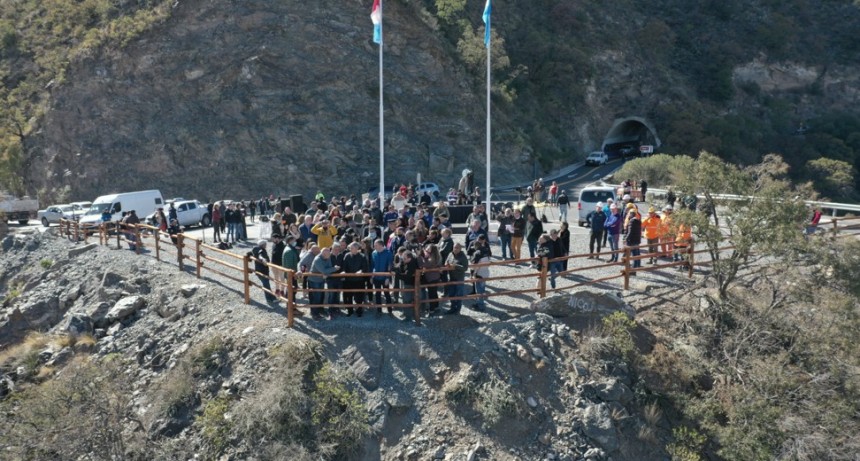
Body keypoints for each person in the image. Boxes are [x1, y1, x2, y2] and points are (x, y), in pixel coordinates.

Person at [308, 247, 339, 320]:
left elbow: (328, 268)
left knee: (321, 296)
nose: (330, 255)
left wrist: (327, 272)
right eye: (328, 254)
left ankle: (320, 309)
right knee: (316, 297)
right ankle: (314, 313)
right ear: (324, 254)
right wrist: (334, 269)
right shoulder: (317, 259)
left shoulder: (327, 257)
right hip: (314, 280)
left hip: (321, 280)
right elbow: (324, 270)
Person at [342, 241, 369, 317]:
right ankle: (350, 311)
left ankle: (359, 311)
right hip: (349, 280)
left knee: (359, 297)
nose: (350, 249)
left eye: (352, 248)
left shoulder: (362, 256)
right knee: (348, 296)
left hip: (359, 280)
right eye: (350, 248)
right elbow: (344, 266)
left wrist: (361, 271)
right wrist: (343, 271)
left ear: (357, 248)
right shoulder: (347, 256)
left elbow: (365, 267)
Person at [249, 240, 277, 304]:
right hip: (263, 271)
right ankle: (269, 299)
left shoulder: (255, 249)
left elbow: (252, 253)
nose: (266, 245)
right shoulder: (261, 250)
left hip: (259, 270)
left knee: (267, 285)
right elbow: (260, 255)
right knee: (266, 285)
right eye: (265, 244)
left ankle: (272, 298)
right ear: (262, 245)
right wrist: (263, 259)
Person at [467, 234, 491, 311]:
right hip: (486, 272)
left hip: (479, 273)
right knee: (482, 288)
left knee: (479, 290)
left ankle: (480, 306)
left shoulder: (477, 253)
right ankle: (480, 303)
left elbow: (475, 265)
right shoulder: (486, 250)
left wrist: (473, 274)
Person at [444, 242, 469, 315]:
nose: (455, 249)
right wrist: (447, 265)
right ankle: (452, 308)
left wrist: (455, 266)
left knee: (458, 294)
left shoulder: (463, 256)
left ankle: (457, 309)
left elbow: (465, 268)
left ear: (460, 249)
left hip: (459, 278)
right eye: (454, 247)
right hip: (451, 277)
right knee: (451, 294)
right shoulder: (450, 254)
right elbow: (446, 261)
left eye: (457, 248)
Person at [395, 250, 419, 321]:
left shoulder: (412, 264)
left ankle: (408, 317)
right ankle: (407, 313)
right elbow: (400, 267)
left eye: (405, 258)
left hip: (410, 284)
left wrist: (397, 274)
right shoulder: (406, 262)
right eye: (403, 258)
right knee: (405, 298)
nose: (403, 260)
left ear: (409, 258)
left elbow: (406, 276)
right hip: (407, 283)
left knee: (407, 300)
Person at [371, 239, 394, 316]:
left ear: (381, 245)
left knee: (387, 294)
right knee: (377, 294)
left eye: (376, 245)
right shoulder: (373, 253)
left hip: (385, 278)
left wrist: (388, 277)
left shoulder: (388, 253)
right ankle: (379, 311)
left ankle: (390, 310)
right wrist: (372, 276)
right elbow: (372, 265)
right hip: (376, 278)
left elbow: (390, 266)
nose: (374, 246)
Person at [419, 244, 443, 314]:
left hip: (432, 278)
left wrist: (419, 257)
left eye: (428, 248)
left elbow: (424, 264)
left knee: (431, 294)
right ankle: (436, 306)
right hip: (434, 277)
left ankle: (432, 310)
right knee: (434, 293)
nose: (426, 249)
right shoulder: (435, 256)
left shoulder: (433, 257)